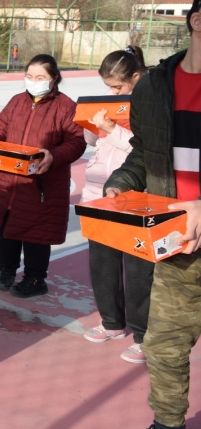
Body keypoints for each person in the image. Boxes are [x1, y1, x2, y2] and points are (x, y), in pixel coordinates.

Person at [105, 0, 201, 429]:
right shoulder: (154, 86)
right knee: (164, 344)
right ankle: (167, 423)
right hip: (179, 242)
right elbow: (145, 150)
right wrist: (121, 183)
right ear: (196, 20)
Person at [0, 54, 86, 298]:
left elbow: (77, 141)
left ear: (54, 79)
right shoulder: (17, 101)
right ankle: (5, 271)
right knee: (6, 229)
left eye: (40, 77)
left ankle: (35, 278)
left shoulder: (66, 106)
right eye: (29, 76)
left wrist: (53, 156)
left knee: (37, 233)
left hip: (42, 184)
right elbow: (1, 126)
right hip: (10, 180)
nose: (33, 81)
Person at [80, 46, 152, 364]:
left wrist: (114, 131)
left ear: (136, 77)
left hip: (136, 195)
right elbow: (93, 142)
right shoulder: (113, 101)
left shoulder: (153, 102)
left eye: (118, 87)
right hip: (98, 192)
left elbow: (147, 149)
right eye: (109, 86)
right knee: (102, 263)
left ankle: (143, 335)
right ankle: (111, 323)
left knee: (137, 270)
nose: (113, 92)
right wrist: (93, 128)